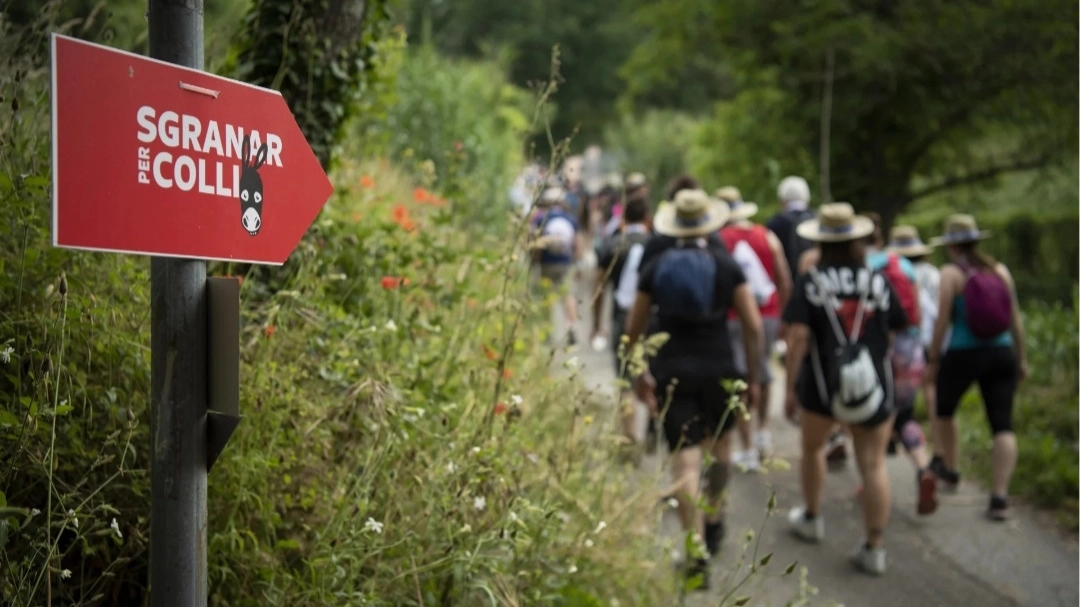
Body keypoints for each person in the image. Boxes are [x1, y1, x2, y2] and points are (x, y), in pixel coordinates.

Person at [626, 189, 763, 589]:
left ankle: (696, 552)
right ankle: (715, 514)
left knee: (684, 464)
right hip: (721, 367)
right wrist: (753, 377)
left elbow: (633, 328)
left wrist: (639, 374)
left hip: (672, 372)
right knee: (720, 449)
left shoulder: (655, 266)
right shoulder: (725, 264)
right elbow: (753, 325)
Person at [783, 203, 906, 576]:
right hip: (873, 384)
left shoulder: (811, 281)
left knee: (813, 447)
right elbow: (894, 330)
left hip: (822, 385)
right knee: (872, 463)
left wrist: (791, 387)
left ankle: (813, 517)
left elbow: (799, 335)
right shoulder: (878, 280)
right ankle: (874, 547)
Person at [926, 214, 1027, 521]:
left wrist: (933, 359)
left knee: (945, 410)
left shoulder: (951, 274)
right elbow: (1016, 320)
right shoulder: (999, 270)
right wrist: (1020, 358)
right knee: (1002, 424)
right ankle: (999, 496)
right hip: (1001, 352)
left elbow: (943, 320)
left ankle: (951, 469)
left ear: (951, 246)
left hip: (963, 353)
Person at [865, 219, 938, 516]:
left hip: (883, 348)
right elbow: (917, 313)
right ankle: (923, 466)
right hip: (911, 348)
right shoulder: (904, 267)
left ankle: (873, 479)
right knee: (904, 415)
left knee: (878, 414)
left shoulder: (867, 266)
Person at [717, 186, 793, 470]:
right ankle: (763, 433)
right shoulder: (767, 236)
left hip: (732, 316)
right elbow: (784, 279)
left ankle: (747, 445)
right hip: (769, 313)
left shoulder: (718, 239)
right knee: (762, 370)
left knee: (738, 377)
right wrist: (784, 315)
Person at [593, 196, 653, 452]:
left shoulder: (613, 244)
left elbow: (599, 286)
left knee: (625, 378)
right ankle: (653, 429)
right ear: (648, 218)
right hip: (653, 317)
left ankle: (628, 437)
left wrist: (597, 323)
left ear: (624, 219)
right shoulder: (657, 244)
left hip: (622, 315)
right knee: (652, 371)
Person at [887, 226, 944, 471]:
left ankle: (878, 464)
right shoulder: (934, 272)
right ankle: (935, 454)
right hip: (923, 344)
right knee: (917, 404)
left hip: (898, 343)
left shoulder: (895, 271)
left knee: (887, 409)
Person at [529, 187, 581, 346]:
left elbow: (536, 243)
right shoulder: (571, 218)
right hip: (565, 263)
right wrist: (576, 263)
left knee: (546, 297)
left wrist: (535, 262)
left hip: (547, 263)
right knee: (568, 295)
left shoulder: (540, 218)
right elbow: (577, 244)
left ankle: (547, 332)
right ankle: (571, 326)